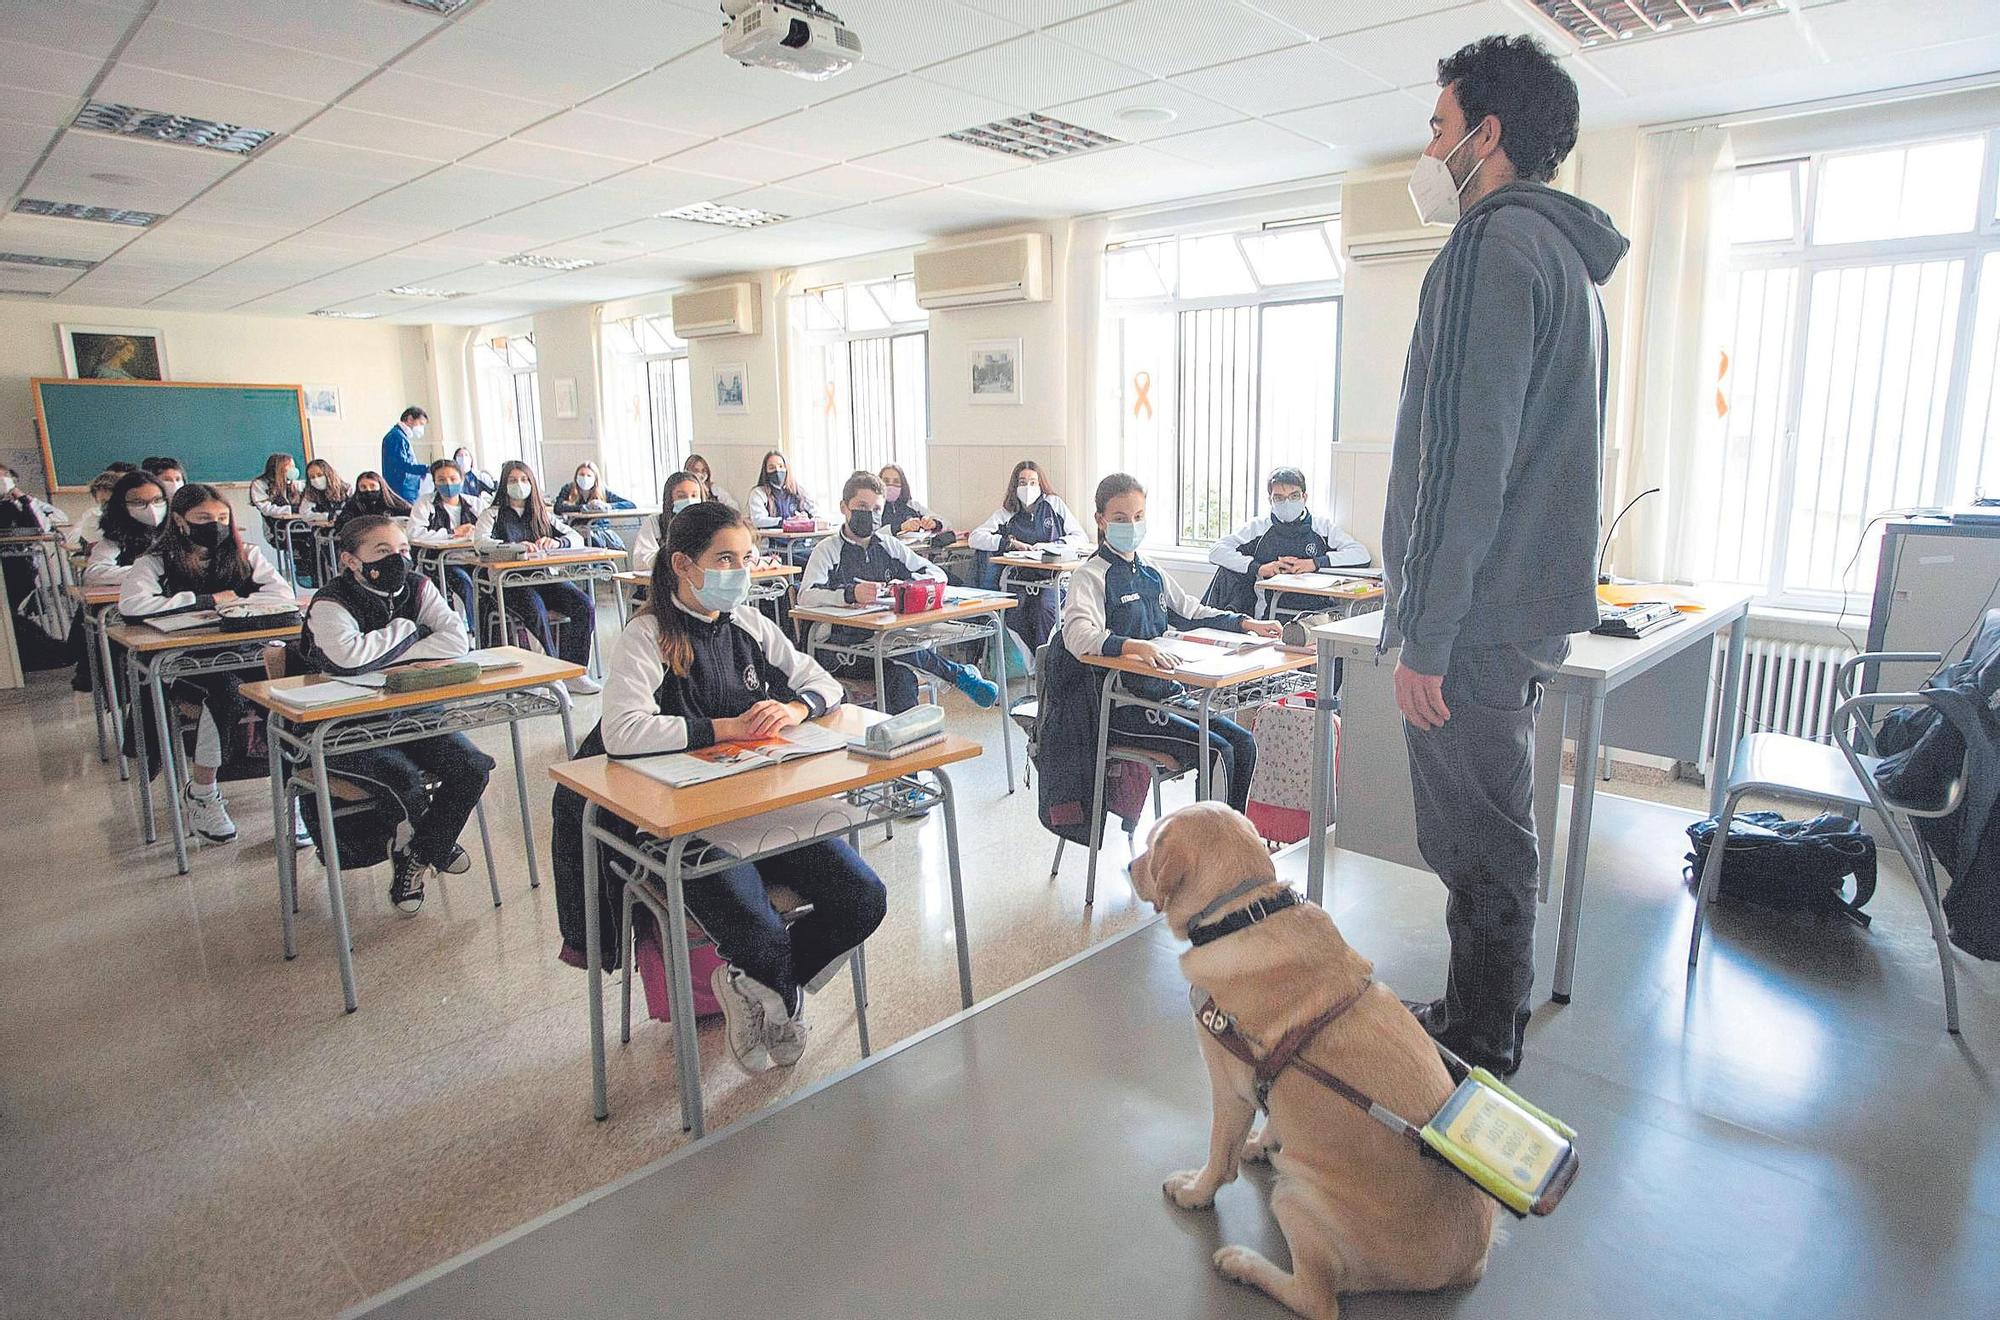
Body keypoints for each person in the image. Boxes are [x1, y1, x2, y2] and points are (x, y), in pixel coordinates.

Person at [1384, 35, 1627, 1079]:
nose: (1429, 147)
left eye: (1439, 126)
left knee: (1480, 843)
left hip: (1473, 620)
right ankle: (1480, 1018)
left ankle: (1480, 1045)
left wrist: (1423, 634)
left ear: (1486, 136)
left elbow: (1459, 467)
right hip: (1520, 607)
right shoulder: (1565, 262)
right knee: (1494, 828)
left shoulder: (1489, 250)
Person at [551, 501, 887, 1073]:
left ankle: (760, 988)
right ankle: (773, 987)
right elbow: (623, 731)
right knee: (759, 929)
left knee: (863, 898)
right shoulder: (648, 633)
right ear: (683, 565)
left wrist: (792, 709)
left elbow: (822, 682)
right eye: (725, 558)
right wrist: (726, 728)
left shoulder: (750, 624)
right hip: (676, 823)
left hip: (755, 804)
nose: (741, 570)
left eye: (746, 558)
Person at [296, 515, 496, 914]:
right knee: (402, 778)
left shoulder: (419, 586)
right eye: (383, 551)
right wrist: (414, 631)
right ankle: (428, 846)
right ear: (351, 560)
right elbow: (348, 660)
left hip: (413, 714)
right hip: (344, 725)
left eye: (403, 551)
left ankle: (420, 851)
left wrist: (385, 649)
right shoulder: (330, 602)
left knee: (472, 765)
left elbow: (458, 639)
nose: (398, 560)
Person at [1060, 473, 1280, 816]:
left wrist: (1246, 623)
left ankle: (1229, 843)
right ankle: (1206, 853)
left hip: (1166, 696)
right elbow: (1077, 636)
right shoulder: (1090, 576)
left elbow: (1190, 612)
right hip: (1124, 707)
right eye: (1120, 519)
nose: (1131, 525)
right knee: (1218, 752)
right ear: (1100, 521)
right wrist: (1135, 646)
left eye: (1138, 517)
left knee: (1243, 743)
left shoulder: (1150, 571)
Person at [119, 484, 295, 844]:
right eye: (203, 519)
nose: (214, 525)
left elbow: (282, 594)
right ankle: (203, 792)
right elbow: (133, 605)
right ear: (181, 521)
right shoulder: (155, 561)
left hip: (243, 650)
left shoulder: (245, 553)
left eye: (221, 518)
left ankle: (295, 799)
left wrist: (241, 604)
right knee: (227, 693)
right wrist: (206, 599)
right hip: (185, 663)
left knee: (283, 691)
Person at [797, 471, 999, 713]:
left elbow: (936, 574)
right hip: (841, 651)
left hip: (886, 643)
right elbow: (805, 596)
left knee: (901, 676)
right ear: (844, 507)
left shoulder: (887, 545)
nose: (869, 515)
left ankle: (906, 746)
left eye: (876, 510)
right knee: (898, 651)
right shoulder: (827, 550)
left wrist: (903, 588)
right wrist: (849, 594)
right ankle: (957, 674)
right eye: (862, 506)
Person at [474, 461, 600, 695]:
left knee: (584, 604)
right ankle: (550, 677)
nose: (519, 485)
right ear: (503, 485)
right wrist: (514, 547)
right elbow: (481, 543)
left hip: (543, 577)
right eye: (512, 480)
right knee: (535, 609)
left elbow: (575, 538)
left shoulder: (542, 514)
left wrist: (557, 541)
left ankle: (574, 672)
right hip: (508, 582)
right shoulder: (492, 515)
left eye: (524, 480)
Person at [1202, 466, 1371, 616]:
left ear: (1304, 497)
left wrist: (1315, 563)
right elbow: (1217, 550)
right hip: (1268, 614)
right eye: (1279, 498)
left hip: (1315, 612)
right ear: (1270, 500)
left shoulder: (1322, 527)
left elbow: (1361, 555)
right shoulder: (1258, 528)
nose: (1287, 502)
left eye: (1294, 495)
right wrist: (1260, 568)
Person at [967, 460, 1089, 649]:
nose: (1028, 487)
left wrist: (1053, 545)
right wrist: (1008, 543)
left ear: (1041, 485)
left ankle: (1045, 661)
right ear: (1015, 486)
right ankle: (1033, 667)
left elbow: (1080, 537)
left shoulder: (1053, 504)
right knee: (1015, 610)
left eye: (1033, 482)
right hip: (1020, 579)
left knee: (1045, 608)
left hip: (1052, 578)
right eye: (1022, 482)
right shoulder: (1007, 513)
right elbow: (975, 538)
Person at [407, 457, 484, 622]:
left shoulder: (475, 504)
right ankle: (471, 632)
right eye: (441, 480)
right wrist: (452, 532)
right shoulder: (425, 503)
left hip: (474, 559)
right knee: (464, 584)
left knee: (487, 583)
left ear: (461, 480)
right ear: (434, 482)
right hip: (440, 563)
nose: (448, 483)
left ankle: (489, 632)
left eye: (453, 479)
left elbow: (491, 530)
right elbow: (414, 533)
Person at [83, 471, 167, 587]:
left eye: (157, 500)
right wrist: (149, 571)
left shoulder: (178, 525)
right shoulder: (117, 534)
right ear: (123, 506)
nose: (151, 509)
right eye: (139, 502)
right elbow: (94, 573)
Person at [631, 470, 707, 576]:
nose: (689, 500)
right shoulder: (655, 522)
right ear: (670, 499)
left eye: (694, 496)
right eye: (681, 496)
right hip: (665, 582)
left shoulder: (709, 524)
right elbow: (641, 559)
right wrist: (674, 559)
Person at [552, 461, 638, 551]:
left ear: (595, 478)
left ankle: (602, 563)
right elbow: (557, 508)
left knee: (600, 540)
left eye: (589, 476)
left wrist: (607, 506)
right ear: (576, 476)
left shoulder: (602, 491)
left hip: (599, 528)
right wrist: (583, 508)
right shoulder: (568, 488)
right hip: (577, 527)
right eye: (581, 474)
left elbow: (630, 504)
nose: (585, 478)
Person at [332, 470, 410, 535]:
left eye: (373, 486)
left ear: (381, 487)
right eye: (363, 487)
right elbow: (341, 524)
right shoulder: (353, 505)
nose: (368, 490)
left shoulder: (396, 505)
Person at [381, 406, 430, 504]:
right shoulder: (396, 437)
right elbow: (402, 464)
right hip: (402, 490)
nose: (421, 428)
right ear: (410, 419)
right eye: (420, 423)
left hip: (406, 489)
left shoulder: (401, 436)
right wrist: (426, 468)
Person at [878, 463, 942, 534]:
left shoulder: (913, 506)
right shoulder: (874, 508)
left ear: (903, 484)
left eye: (896, 481)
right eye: (886, 481)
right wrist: (901, 527)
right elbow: (873, 535)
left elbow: (945, 523)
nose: (891, 485)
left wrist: (933, 523)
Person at [72, 470, 121, 552]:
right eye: (102, 502)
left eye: (109, 501)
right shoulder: (92, 515)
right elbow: (73, 540)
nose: (106, 506)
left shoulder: (132, 515)